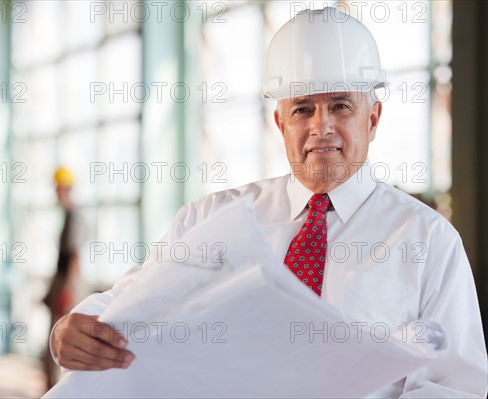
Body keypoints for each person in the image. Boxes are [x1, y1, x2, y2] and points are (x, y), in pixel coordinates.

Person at [49, 8, 487, 397]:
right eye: (302, 109)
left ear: (372, 118)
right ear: (280, 122)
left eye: (340, 106)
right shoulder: (210, 219)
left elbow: (455, 387)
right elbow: (126, 308)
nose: (322, 127)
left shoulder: (428, 241)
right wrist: (73, 331)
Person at [43, 166, 86, 388]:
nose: (55, 193)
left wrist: (67, 290)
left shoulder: (74, 217)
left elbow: (74, 257)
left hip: (68, 286)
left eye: (57, 189)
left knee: (62, 343)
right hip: (61, 283)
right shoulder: (68, 216)